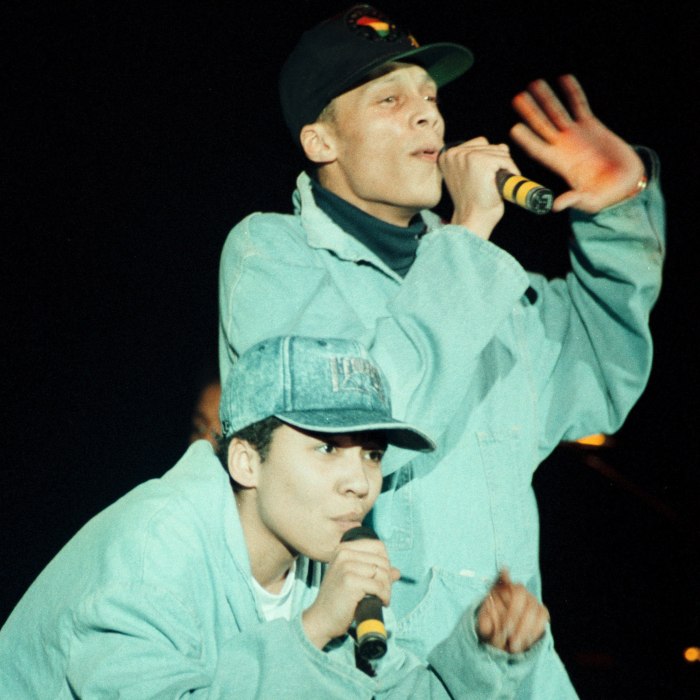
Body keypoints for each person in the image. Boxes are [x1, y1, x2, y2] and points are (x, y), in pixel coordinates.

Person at [217, 5, 665, 697]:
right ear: (321, 140)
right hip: (370, 678)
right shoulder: (271, 256)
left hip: (517, 677)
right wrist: (471, 229)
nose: (428, 114)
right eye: (390, 100)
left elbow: (602, 375)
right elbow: (357, 422)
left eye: (430, 98)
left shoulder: (487, 285)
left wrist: (619, 211)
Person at [0, 335, 552, 698]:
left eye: (371, 453)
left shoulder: (315, 557)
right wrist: (312, 631)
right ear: (246, 462)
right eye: (326, 448)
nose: (361, 482)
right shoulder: (154, 548)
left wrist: (485, 651)